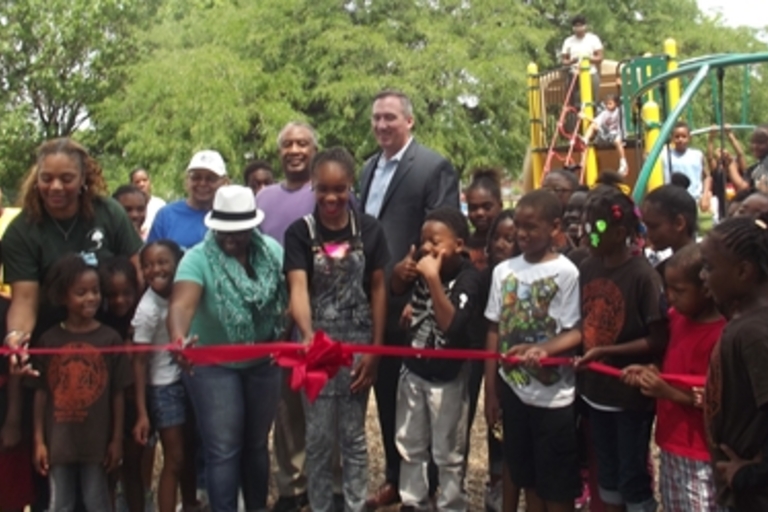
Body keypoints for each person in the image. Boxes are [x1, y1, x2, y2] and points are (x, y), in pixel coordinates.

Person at [1, 138, 143, 510]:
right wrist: (17, 338)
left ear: (84, 179)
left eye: (66, 178)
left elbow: (135, 275)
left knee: (106, 462)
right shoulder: (23, 231)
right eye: (47, 179)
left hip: (109, 345)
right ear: (36, 179)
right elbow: (25, 300)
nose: (56, 187)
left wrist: (133, 334)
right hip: (53, 353)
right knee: (55, 467)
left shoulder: (108, 213)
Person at [359, 89, 460, 508]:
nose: (382, 126)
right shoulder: (367, 167)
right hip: (371, 292)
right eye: (377, 119)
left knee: (419, 398)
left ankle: (431, 482)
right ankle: (396, 476)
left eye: (390, 118)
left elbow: (442, 233)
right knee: (386, 391)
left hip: (410, 300)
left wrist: (413, 280)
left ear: (409, 122)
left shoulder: (433, 166)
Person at [167, 185, 287, 512]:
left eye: (240, 231)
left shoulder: (273, 253)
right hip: (212, 365)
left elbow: (292, 296)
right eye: (225, 230)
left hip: (263, 360)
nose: (232, 237)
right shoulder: (197, 259)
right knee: (223, 448)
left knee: (256, 445)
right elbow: (180, 306)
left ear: (252, 227)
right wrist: (179, 339)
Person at [284, 147, 388, 512]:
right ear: (313, 187)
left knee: (353, 435)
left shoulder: (370, 229)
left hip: (358, 342)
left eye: (339, 189)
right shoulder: (300, 233)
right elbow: (297, 287)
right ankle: (321, 504)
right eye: (323, 189)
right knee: (318, 437)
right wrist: (308, 335)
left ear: (350, 189)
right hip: (319, 343)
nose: (331, 198)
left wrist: (374, 351)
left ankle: (357, 503)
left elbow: (378, 288)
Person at [485, 190, 582, 512]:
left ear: (555, 227)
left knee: (555, 481)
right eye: (519, 228)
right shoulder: (504, 272)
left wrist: (543, 349)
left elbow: (574, 333)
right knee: (521, 469)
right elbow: (494, 328)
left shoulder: (567, 273)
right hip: (513, 389)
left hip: (553, 397)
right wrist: (491, 390)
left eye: (531, 227)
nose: (522, 235)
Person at [576, 185, 668, 512]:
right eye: (585, 226)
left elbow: (658, 338)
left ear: (620, 232)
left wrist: (608, 353)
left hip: (628, 397)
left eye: (596, 227)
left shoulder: (643, 276)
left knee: (632, 475)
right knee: (608, 472)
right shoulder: (588, 266)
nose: (587, 234)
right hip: (595, 392)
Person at [391, 207, 483, 512]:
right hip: (414, 370)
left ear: (458, 245)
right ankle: (414, 500)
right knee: (410, 442)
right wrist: (401, 277)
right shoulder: (421, 265)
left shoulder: (469, 279)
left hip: (448, 378)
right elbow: (397, 290)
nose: (427, 248)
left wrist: (431, 280)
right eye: (423, 241)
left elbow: (453, 327)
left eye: (435, 241)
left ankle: (451, 503)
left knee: (448, 450)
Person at [622, 244, 726, 512]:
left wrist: (666, 391)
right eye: (668, 289)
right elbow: (669, 365)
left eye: (679, 291)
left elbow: (716, 399)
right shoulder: (676, 319)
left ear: (706, 288)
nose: (670, 297)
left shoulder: (722, 336)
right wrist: (652, 372)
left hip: (700, 450)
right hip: (671, 442)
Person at [257, 122, 324, 512]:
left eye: (302, 143)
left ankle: (326, 482)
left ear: (314, 149)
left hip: (324, 312)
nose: (295, 149)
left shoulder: (329, 191)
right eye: (287, 144)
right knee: (285, 405)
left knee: (322, 400)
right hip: (277, 315)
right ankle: (291, 484)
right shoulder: (264, 197)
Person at [32, 254, 131, 511]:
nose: (91, 298)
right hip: (58, 444)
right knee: (61, 504)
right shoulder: (49, 340)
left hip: (96, 444)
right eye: (81, 292)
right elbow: (40, 394)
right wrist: (39, 441)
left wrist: (117, 439)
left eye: (96, 291)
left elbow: (118, 393)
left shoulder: (110, 339)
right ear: (64, 297)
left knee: (97, 502)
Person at [700, 213, 768, 511]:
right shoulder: (743, 324)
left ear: (743, 272)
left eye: (709, 268)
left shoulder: (752, 335)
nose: (703, 276)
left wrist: (752, 474)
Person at [132, 240, 198, 512]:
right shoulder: (147, 310)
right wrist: (142, 411)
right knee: (175, 457)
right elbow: (139, 360)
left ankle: (192, 503)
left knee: (191, 451)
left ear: (177, 263)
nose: (154, 270)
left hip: (189, 380)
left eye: (162, 262)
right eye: (147, 265)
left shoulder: (188, 293)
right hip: (163, 388)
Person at [97, 257, 150, 512]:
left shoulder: (140, 318)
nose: (119, 300)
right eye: (112, 294)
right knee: (105, 469)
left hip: (132, 399)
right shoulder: (97, 322)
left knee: (132, 467)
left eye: (126, 293)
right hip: (102, 403)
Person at [147, 150, 228, 250]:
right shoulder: (166, 215)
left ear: (225, 182)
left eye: (210, 178)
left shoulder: (234, 216)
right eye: (196, 178)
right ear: (187, 180)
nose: (202, 183)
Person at [641, 184, 698, 266]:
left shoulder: (703, 270)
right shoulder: (666, 267)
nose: (648, 233)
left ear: (679, 223)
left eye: (653, 226)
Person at [662, 122, 712, 211]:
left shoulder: (697, 155)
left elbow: (707, 177)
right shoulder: (665, 155)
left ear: (689, 138)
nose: (680, 139)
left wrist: (705, 196)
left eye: (684, 136)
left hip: (694, 198)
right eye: (677, 137)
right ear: (672, 138)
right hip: (673, 200)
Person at [465, 168, 503, 270]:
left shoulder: (510, 243)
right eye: (473, 208)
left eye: (487, 207)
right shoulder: (464, 245)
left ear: (500, 205)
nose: (480, 213)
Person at [561, 15, 603, 108]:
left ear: (585, 27)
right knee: (574, 101)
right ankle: (576, 120)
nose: (579, 29)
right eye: (576, 26)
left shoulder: (593, 38)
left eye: (581, 26)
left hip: (591, 72)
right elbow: (564, 60)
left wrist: (587, 59)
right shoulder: (568, 41)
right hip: (574, 74)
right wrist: (572, 61)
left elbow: (600, 58)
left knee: (592, 101)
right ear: (573, 28)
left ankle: (592, 119)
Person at [582, 95, 627, 176]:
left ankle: (623, 162)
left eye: (610, 103)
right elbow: (596, 121)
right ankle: (585, 140)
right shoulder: (605, 113)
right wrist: (585, 117)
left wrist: (619, 87)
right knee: (593, 125)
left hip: (618, 134)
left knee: (617, 141)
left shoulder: (619, 110)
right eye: (607, 104)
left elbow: (623, 100)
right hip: (607, 134)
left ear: (616, 104)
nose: (608, 106)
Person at [130, 168, 166, 235]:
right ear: (131, 185)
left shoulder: (160, 205)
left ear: (150, 182)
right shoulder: (128, 207)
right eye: (137, 182)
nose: (141, 184)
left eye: (144, 180)